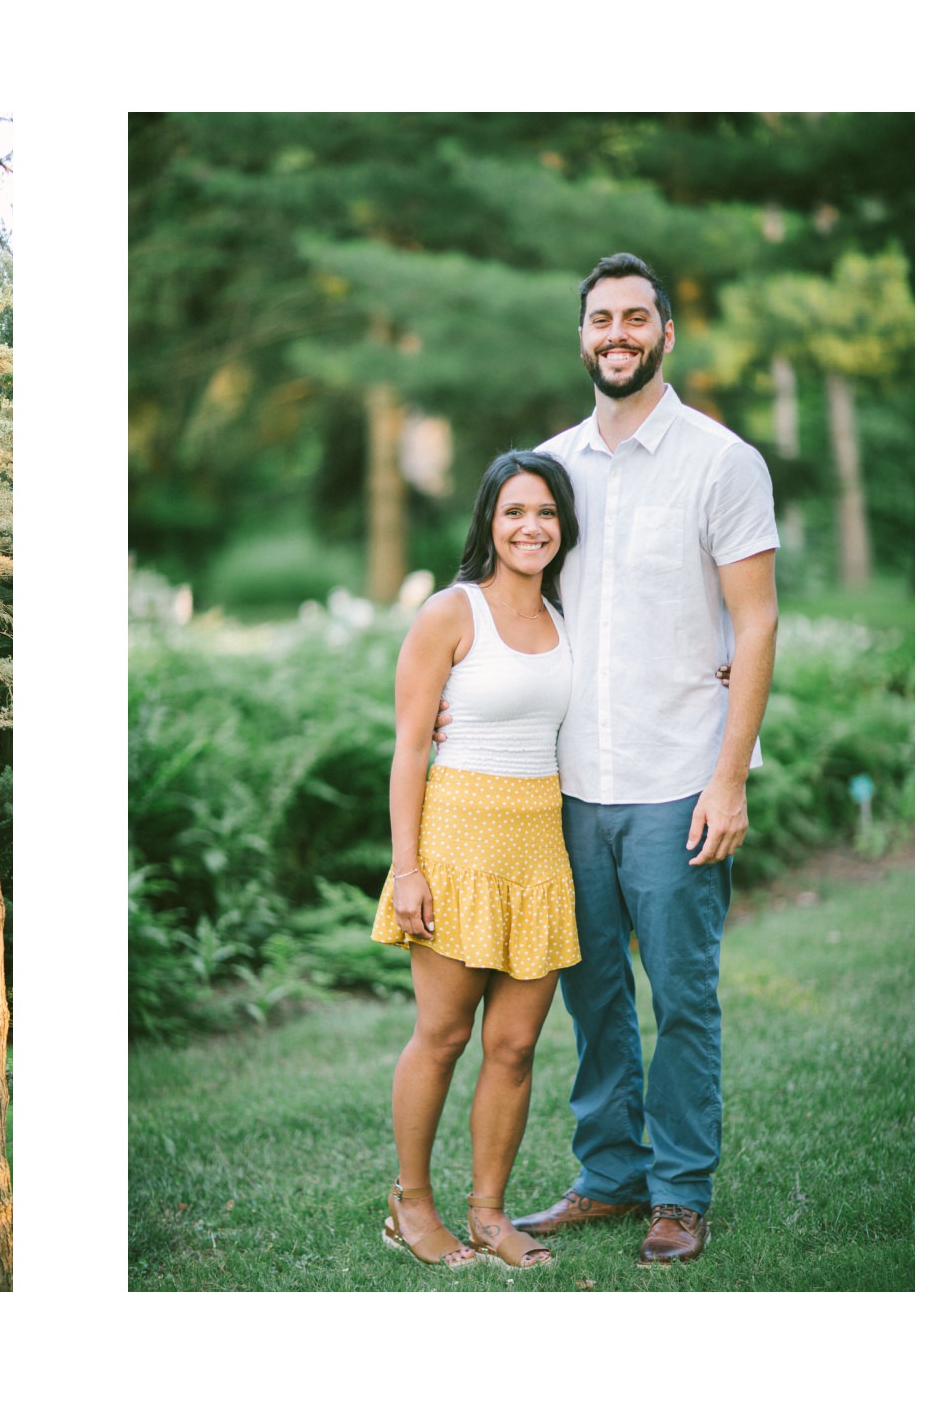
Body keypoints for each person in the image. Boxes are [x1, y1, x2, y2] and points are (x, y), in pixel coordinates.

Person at [467, 252, 779, 1266]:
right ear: (582, 334)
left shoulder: (723, 462)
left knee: (681, 997)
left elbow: (757, 620)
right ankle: (610, 1175)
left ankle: (680, 1191)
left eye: (636, 318)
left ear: (666, 334)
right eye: (601, 318)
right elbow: (507, 606)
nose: (617, 334)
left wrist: (730, 775)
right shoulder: (552, 472)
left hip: (678, 780)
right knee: (591, 993)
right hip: (567, 786)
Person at [371, 449, 582, 1270]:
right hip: (456, 842)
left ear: (563, 528)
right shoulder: (451, 614)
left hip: (539, 848)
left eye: (547, 514)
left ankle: (490, 1213)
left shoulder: (570, 619)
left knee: (517, 1048)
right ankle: (410, 1205)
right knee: (444, 1033)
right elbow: (407, 747)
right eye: (515, 512)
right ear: (489, 522)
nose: (531, 528)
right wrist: (407, 868)